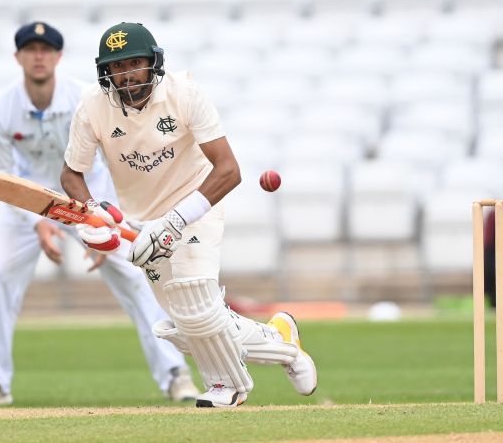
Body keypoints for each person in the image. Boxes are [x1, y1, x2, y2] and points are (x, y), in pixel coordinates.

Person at [60, 22, 318, 408]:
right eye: (118, 67)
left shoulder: (185, 94)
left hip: (197, 204)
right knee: (189, 318)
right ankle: (283, 342)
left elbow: (229, 170)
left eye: (135, 63)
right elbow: (71, 173)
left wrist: (177, 220)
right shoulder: (93, 106)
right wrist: (92, 215)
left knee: (194, 294)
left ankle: (225, 387)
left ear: (153, 64)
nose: (128, 74)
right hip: (141, 223)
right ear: (105, 72)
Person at [0, 21, 199, 406]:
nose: (39, 57)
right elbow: (4, 179)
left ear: (58, 56)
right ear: (18, 57)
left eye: (46, 50)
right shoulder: (1, 111)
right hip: (26, 203)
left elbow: (108, 158)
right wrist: (39, 223)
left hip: (87, 196)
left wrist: (98, 222)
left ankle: (175, 376)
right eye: (31, 50)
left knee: (135, 273)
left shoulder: (82, 98)